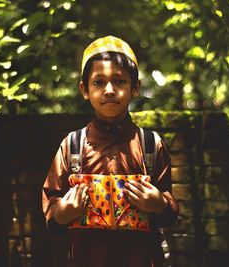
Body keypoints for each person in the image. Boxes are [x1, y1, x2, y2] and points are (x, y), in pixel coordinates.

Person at [42, 36, 179, 267]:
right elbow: (51, 212)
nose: (109, 90)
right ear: (84, 90)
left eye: (119, 81)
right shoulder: (72, 145)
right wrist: (64, 211)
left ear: (135, 87)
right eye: (98, 82)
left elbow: (169, 212)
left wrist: (159, 203)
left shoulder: (150, 145)